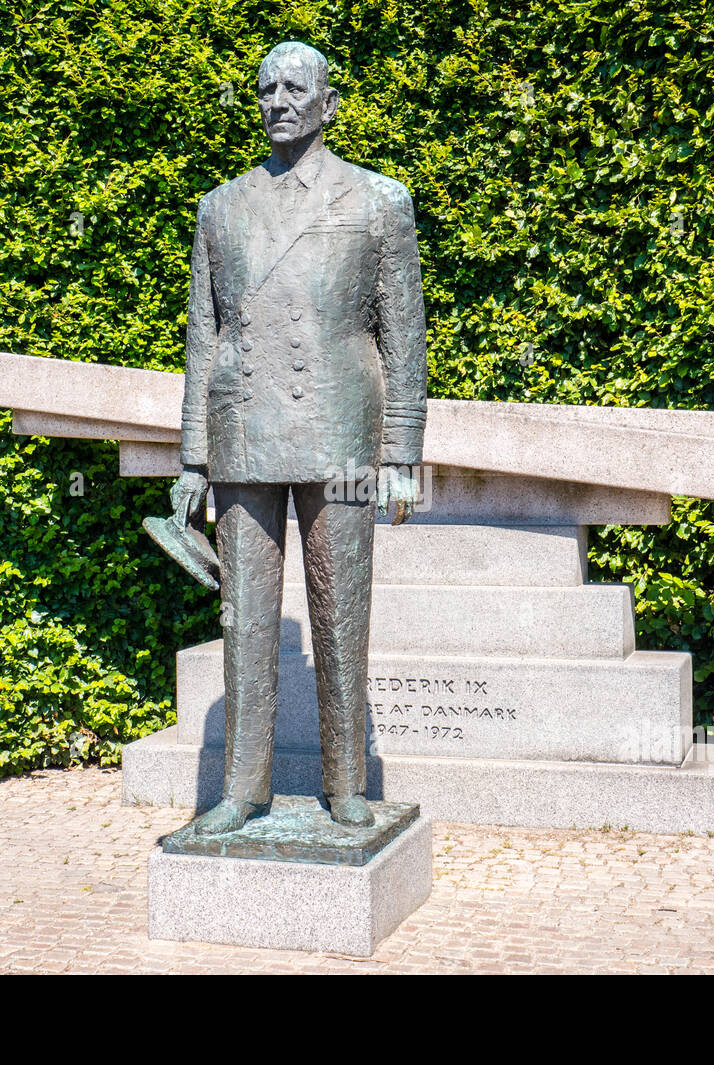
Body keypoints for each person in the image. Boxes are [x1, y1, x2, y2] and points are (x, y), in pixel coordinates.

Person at [170, 41, 427, 834]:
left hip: (342, 427)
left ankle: (347, 783)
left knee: (342, 612)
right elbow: (203, 336)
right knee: (243, 619)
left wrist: (402, 454)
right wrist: (192, 458)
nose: (279, 100)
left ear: (328, 103)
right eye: (266, 88)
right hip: (243, 431)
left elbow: (403, 332)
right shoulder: (221, 207)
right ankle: (242, 790)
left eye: (295, 88)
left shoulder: (379, 200)